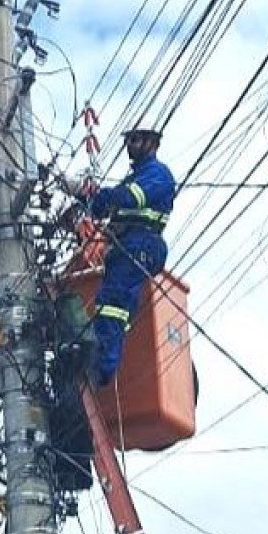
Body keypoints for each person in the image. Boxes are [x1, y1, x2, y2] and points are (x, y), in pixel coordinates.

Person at [78, 125, 176, 387]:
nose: (129, 145)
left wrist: (101, 196)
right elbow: (101, 206)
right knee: (111, 302)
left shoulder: (157, 174)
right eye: (129, 140)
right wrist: (85, 197)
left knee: (114, 303)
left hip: (143, 244)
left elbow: (128, 198)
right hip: (128, 246)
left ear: (151, 143)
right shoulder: (134, 177)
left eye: (135, 140)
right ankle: (103, 361)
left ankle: (103, 367)